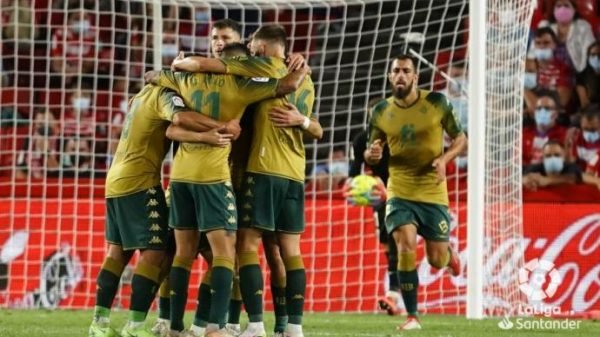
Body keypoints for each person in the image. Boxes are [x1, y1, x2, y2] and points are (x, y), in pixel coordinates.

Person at [148, 42, 310, 337]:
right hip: (214, 178)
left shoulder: (183, 78)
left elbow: (152, 77)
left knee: (181, 253)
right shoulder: (242, 87)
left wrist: (177, 67)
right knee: (226, 254)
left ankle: (173, 327)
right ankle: (215, 327)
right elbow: (287, 85)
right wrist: (303, 66)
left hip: (181, 177)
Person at [88, 83, 237, 337]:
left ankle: (98, 324)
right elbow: (179, 119)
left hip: (115, 179)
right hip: (140, 182)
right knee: (156, 253)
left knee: (117, 253)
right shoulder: (164, 95)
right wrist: (220, 128)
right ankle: (134, 328)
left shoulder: (140, 95)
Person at [150, 19, 246, 337]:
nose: (219, 42)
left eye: (226, 38)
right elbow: (171, 122)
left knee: (217, 255)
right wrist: (216, 130)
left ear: (238, 43)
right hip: (193, 178)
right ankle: (175, 323)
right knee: (186, 252)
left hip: (224, 177)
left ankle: (203, 324)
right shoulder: (189, 76)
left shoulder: (246, 78)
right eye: (215, 38)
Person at [364, 54, 465, 330]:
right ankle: (412, 316)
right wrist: (372, 154)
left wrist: (444, 159)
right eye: (395, 70)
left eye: (406, 71)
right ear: (389, 76)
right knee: (406, 245)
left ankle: (449, 257)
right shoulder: (381, 111)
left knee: (435, 258)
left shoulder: (436, 103)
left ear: (415, 77)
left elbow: (460, 139)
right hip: (400, 191)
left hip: (433, 192)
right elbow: (372, 152)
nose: (400, 75)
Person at [344, 98, 400, 315]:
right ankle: (395, 295)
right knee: (388, 244)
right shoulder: (361, 140)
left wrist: (392, 191)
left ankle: (394, 294)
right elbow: (353, 174)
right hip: (381, 195)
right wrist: (354, 189)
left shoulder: (402, 139)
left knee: (401, 241)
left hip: (408, 192)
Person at [536, 0, 595, 73]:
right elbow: (533, 53)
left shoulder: (583, 27)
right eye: (558, 6)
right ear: (554, 10)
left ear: (574, 9)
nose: (562, 9)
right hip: (548, 72)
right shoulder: (544, 25)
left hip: (576, 73)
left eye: (566, 5)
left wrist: (582, 79)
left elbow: (589, 54)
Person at [522, 92, 568, 166]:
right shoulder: (524, 134)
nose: (542, 111)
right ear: (534, 113)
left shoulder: (564, 134)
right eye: (539, 108)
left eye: (547, 108)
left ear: (556, 114)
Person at [575, 41, 600, 109]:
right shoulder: (581, 76)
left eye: (599, 55)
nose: (596, 58)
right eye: (593, 55)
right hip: (590, 112)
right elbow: (584, 104)